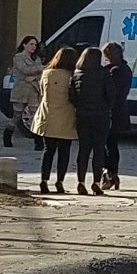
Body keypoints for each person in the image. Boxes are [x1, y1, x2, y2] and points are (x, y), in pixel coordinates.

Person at [30, 47, 79, 193]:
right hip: (66, 116)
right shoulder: (72, 76)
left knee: (48, 150)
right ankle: (60, 182)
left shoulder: (47, 73)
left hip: (48, 115)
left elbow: (41, 92)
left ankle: (44, 180)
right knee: (64, 152)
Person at [70, 46, 113, 196]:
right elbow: (111, 95)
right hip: (101, 116)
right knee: (98, 150)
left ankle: (81, 182)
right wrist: (106, 106)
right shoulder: (104, 73)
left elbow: (72, 96)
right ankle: (96, 183)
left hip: (82, 116)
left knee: (83, 150)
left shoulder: (77, 74)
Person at [100, 41, 133, 190]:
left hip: (110, 112)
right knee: (112, 144)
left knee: (104, 144)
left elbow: (110, 92)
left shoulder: (113, 71)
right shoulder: (126, 69)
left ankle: (109, 173)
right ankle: (114, 174)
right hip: (121, 110)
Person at [4, 36, 43, 149]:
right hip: (21, 90)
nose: (33, 47)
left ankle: (38, 142)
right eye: (31, 44)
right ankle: (7, 135)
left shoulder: (37, 59)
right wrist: (40, 68)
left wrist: (34, 77)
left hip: (34, 90)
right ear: (24, 45)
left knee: (35, 116)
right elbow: (24, 70)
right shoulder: (19, 57)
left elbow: (41, 74)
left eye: (35, 45)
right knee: (17, 115)